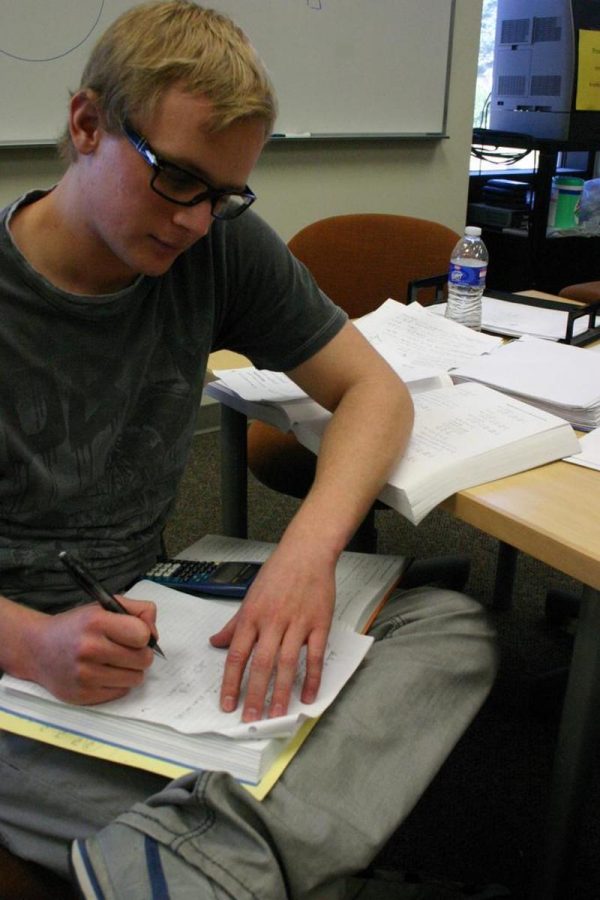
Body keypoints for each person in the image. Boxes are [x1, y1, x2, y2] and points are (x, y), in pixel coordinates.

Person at [0, 2, 498, 897]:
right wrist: (30, 643)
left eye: (225, 195)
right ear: (86, 124)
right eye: (179, 179)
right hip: (22, 665)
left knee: (448, 633)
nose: (197, 221)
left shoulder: (215, 241)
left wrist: (308, 552)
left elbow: (373, 392)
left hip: (157, 615)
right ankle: (269, 849)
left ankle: (210, 857)